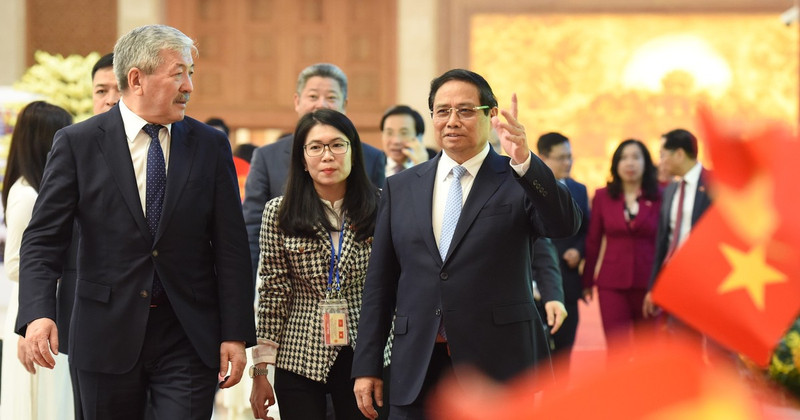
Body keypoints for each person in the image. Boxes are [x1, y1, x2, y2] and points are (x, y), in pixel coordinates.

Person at [16, 25, 255, 419]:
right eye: (179, 73)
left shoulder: (210, 145)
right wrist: (38, 312)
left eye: (190, 73)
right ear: (137, 79)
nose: (190, 86)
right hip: (103, 333)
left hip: (188, 333)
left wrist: (235, 332)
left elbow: (229, 246)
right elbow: (43, 240)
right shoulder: (77, 143)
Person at [351, 69, 581, 419]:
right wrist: (366, 364)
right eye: (442, 111)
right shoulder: (402, 187)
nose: (452, 121)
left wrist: (525, 162)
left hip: (497, 365)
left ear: (491, 115)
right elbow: (380, 284)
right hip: (418, 363)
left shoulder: (517, 178)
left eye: (465, 110)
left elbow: (563, 223)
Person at [248, 108, 379, 419]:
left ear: (353, 151)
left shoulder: (382, 206)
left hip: (363, 352)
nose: (327, 156)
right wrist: (261, 370)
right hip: (299, 353)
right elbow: (273, 292)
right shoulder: (279, 212)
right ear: (302, 158)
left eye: (337, 145)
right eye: (316, 147)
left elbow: (392, 288)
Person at [243, 63, 386, 283]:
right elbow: (253, 228)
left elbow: (377, 231)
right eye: (312, 96)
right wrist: (246, 286)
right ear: (297, 101)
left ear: (344, 104)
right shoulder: (266, 157)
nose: (321, 104)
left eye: (331, 96)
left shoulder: (372, 157)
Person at [1, 101, 74, 420]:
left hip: (44, 303)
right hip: (36, 307)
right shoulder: (28, 195)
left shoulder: (40, 190)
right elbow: (17, 263)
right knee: (43, 400)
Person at [581, 139, 661, 352]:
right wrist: (587, 281)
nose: (630, 163)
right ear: (616, 164)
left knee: (649, 352)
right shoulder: (602, 196)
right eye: (624, 158)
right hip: (612, 284)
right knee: (618, 352)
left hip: (650, 285)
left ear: (646, 163)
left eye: (636, 157)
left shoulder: (661, 195)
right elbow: (594, 240)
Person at [644, 129, 712, 317]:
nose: (660, 161)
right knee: (678, 339)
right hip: (674, 279)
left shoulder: (715, 184)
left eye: (663, 155)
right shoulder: (670, 190)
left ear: (680, 154)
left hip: (706, 280)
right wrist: (653, 286)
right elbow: (663, 242)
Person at [536, 132, 590, 366]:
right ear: (543, 158)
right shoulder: (527, 187)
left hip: (567, 282)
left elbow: (587, 231)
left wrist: (579, 250)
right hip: (534, 282)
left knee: (564, 354)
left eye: (570, 157)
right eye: (561, 158)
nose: (567, 163)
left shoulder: (578, 190)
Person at [380, 105, 436, 176]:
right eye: (389, 133)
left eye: (404, 133)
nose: (396, 141)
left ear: (419, 137)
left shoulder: (434, 162)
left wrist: (422, 166)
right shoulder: (370, 165)